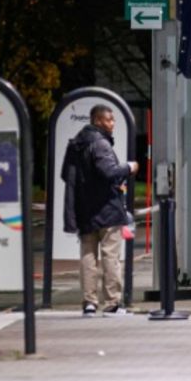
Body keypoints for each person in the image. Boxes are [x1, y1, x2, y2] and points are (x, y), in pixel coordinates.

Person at [63, 105, 138, 316]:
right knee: (110, 256)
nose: (112, 124)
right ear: (97, 121)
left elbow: (67, 175)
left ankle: (89, 302)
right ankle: (112, 303)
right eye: (109, 120)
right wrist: (129, 167)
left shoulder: (76, 144)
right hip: (107, 209)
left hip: (84, 209)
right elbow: (109, 172)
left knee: (87, 257)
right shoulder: (100, 143)